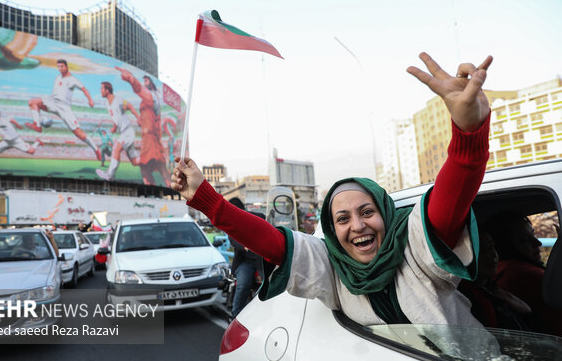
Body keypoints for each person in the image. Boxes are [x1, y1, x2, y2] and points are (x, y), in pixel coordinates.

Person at [172, 52, 493, 328]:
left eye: (367, 212)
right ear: (331, 229)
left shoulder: (415, 245)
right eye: (342, 219)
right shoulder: (331, 268)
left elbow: (453, 192)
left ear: (387, 214)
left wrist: (468, 131)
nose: (357, 225)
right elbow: (272, 243)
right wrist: (205, 198)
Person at [486, 213, 562, 336]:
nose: (538, 242)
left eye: (533, 234)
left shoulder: (500, 271)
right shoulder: (521, 274)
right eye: (524, 240)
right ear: (507, 247)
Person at [25, 59, 101, 160]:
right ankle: (37, 125)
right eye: (58, 67)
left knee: (79, 133)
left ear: (66, 67)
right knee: (32, 102)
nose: (60, 69)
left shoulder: (73, 79)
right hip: (52, 102)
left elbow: (84, 89)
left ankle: (96, 150)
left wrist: (90, 100)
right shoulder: (57, 78)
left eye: (62, 66)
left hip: (64, 108)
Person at [458, 230, 532, 330]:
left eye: (492, 246)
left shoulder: (492, 289)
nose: (492, 254)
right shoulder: (465, 296)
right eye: (482, 250)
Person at [115, 67, 170, 186]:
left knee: (147, 167)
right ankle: (160, 188)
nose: (144, 83)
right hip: (148, 137)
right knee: (156, 167)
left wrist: (131, 79)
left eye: (146, 81)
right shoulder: (146, 101)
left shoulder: (151, 96)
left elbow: (140, 90)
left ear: (151, 83)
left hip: (151, 137)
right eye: (143, 81)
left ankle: (160, 189)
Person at [95, 81, 141, 181]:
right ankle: (151, 161)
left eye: (102, 89)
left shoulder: (118, 100)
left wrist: (138, 117)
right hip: (123, 133)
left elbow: (130, 107)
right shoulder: (108, 104)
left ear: (107, 91)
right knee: (135, 161)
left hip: (128, 132)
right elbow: (116, 119)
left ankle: (110, 175)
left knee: (116, 149)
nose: (100, 91)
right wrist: (113, 130)